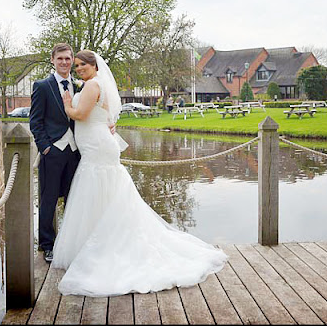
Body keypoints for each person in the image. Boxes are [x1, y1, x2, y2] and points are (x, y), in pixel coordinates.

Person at [52, 50, 227, 297]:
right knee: (102, 192)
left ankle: (106, 246)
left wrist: (68, 105)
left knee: (99, 188)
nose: (78, 68)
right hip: (96, 145)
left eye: (83, 64)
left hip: (97, 148)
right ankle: (98, 242)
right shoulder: (95, 84)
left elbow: (81, 115)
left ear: (94, 65)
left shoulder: (92, 85)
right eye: (76, 65)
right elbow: (106, 115)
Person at [29, 43, 82, 263]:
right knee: (49, 200)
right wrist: (45, 147)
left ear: (72, 60)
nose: (64, 62)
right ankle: (47, 245)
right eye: (60, 58)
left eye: (68, 59)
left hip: (76, 152)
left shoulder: (80, 86)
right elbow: (35, 121)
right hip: (53, 151)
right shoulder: (42, 86)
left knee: (74, 198)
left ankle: (71, 244)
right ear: (53, 60)